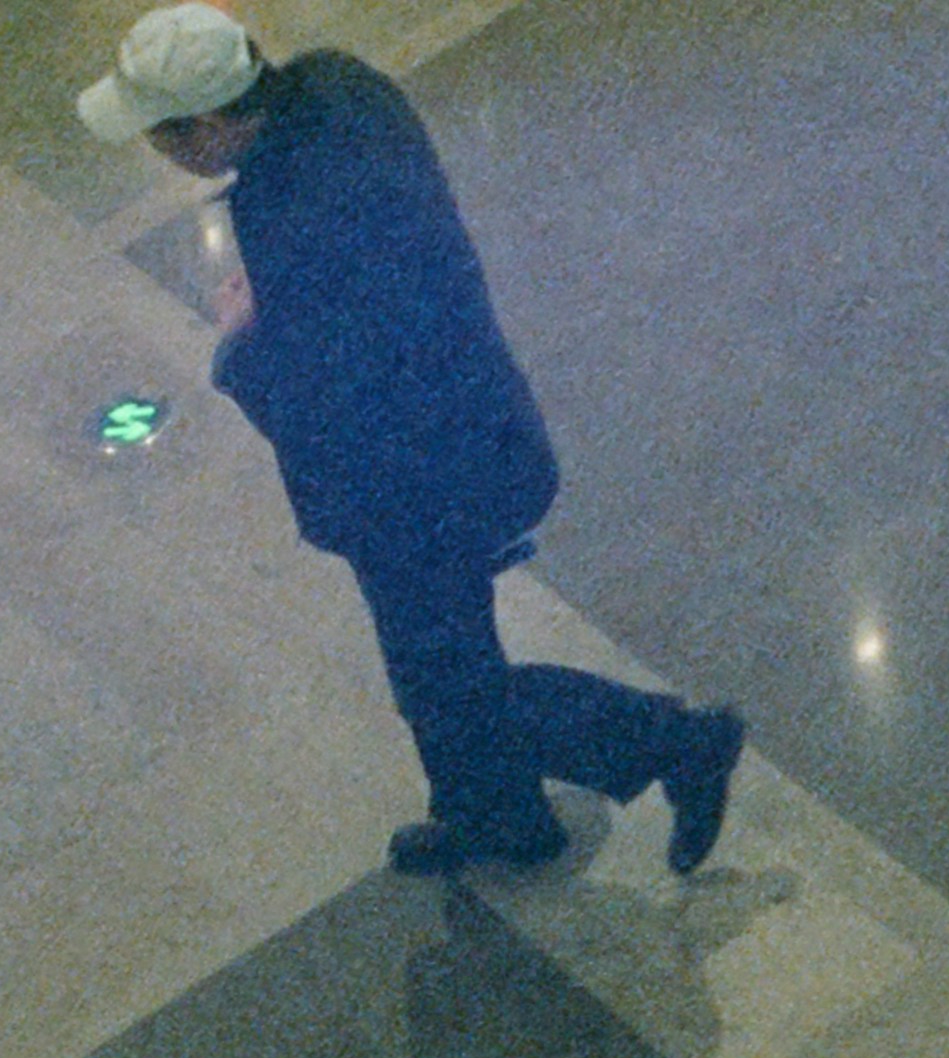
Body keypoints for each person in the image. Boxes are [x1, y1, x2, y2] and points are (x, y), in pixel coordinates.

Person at [79, 2, 748, 881]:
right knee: (448, 665)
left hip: (414, 483)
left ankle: (680, 742)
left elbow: (322, 390)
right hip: (473, 430)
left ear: (203, 126)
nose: (159, 156)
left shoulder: (291, 199)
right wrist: (288, 300)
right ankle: (500, 818)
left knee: (447, 689)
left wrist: (245, 338)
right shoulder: (336, 85)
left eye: (161, 137)